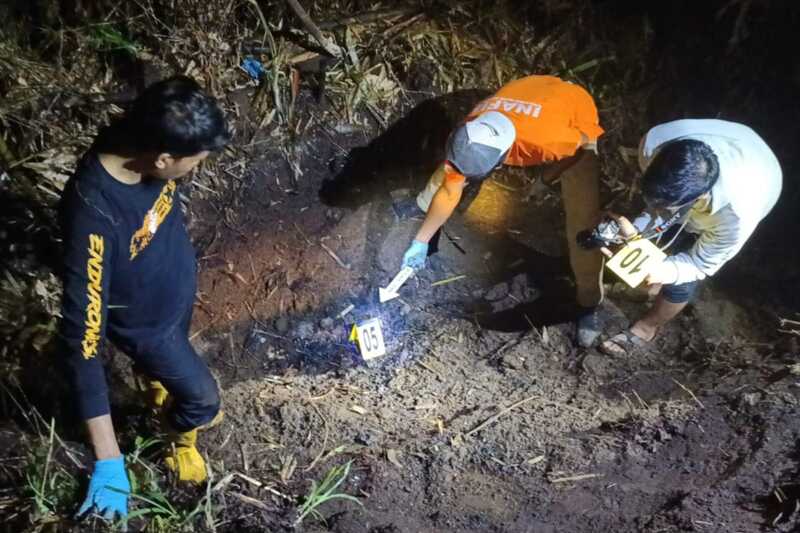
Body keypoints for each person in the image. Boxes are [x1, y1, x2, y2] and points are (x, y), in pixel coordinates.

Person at [58, 76, 230, 519]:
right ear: (163, 158)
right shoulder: (93, 215)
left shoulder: (142, 135)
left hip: (173, 295)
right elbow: (82, 343)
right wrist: (108, 459)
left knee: (170, 380)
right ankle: (175, 439)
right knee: (204, 402)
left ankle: (156, 387)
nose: (196, 170)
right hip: (150, 330)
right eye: (194, 162)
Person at [398, 75, 606, 346]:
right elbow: (451, 187)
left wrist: (544, 180)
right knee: (454, 168)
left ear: (501, 160)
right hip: (531, 92)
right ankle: (422, 207)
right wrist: (421, 240)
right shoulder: (470, 130)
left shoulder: (550, 142)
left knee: (584, 223)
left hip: (574, 116)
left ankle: (588, 303)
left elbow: (575, 152)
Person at [600, 119, 782, 355]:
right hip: (737, 142)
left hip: (762, 180)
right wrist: (635, 231)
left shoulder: (737, 216)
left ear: (700, 198)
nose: (657, 207)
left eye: (669, 205)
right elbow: (658, 206)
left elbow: (699, 264)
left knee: (681, 279)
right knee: (661, 230)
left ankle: (647, 328)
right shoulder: (655, 143)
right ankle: (648, 287)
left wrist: (663, 271)